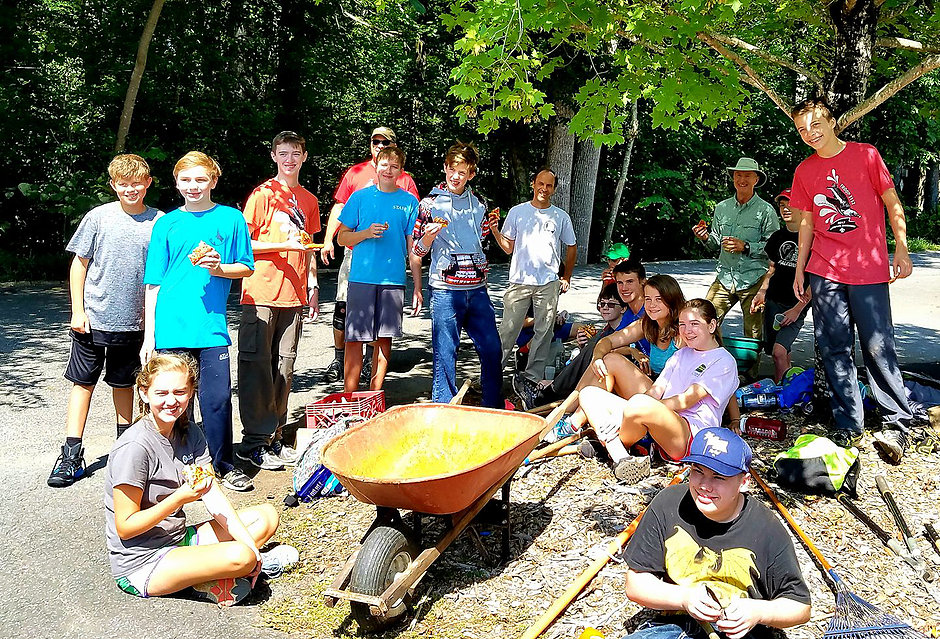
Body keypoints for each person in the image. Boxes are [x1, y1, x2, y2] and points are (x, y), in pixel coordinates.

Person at [105, 353, 297, 606]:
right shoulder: (134, 447)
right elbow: (126, 527)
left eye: (180, 392)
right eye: (161, 393)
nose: (171, 401)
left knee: (266, 516)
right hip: (142, 562)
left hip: (177, 540)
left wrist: (252, 548)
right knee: (240, 555)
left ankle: (236, 569)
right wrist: (178, 499)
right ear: (144, 393)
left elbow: (213, 495)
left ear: (191, 392)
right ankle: (236, 571)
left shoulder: (190, 432)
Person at [789, 97, 914, 459]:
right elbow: (808, 223)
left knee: (878, 344)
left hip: (868, 266)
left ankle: (897, 422)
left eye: (815, 125)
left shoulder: (866, 155)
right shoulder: (804, 171)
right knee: (834, 347)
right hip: (823, 269)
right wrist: (800, 268)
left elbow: (892, 203)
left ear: (831, 123)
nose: (810, 134)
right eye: (801, 130)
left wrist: (901, 248)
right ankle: (849, 424)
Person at [621, 427, 811, 639]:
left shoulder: (766, 529)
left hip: (741, 632)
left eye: (719, 477)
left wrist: (758, 611)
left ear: (744, 482)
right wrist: (684, 598)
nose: (704, 485)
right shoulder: (668, 504)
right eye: (698, 471)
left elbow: (800, 607)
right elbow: (636, 583)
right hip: (675, 624)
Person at [142, 151, 255, 492]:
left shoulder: (231, 219)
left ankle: (223, 464)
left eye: (200, 179)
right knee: (174, 399)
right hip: (170, 325)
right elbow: (153, 283)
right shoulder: (166, 223)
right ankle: (175, 465)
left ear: (213, 181)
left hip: (211, 327)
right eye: (186, 180)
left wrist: (219, 268)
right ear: (177, 183)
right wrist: (149, 337)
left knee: (217, 399)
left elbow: (246, 267)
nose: (193, 186)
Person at [48, 154, 163, 487]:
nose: (130, 189)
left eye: (136, 183)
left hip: (135, 323)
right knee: (82, 382)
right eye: (123, 184)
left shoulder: (159, 221)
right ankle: (71, 454)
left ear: (148, 183)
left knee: (124, 384)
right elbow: (78, 265)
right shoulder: (98, 217)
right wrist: (77, 310)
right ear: (114, 186)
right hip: (93, 319)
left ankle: (124, 450)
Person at [578, 299, 738, 483]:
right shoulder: (681, 354)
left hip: (692, 435)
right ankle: (621, 457)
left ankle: (609, 443)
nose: (687, 331)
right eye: (683, 325)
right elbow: (655, 390)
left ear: (711, 325)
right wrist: (630, 410)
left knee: (638, 404)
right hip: (659, 425)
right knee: (589, 394)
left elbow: (686, 401)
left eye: (695, 324)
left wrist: (629, 411)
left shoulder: (723, 361)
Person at [236, 131, 320, 472]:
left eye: (295, 153)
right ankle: (254, 442)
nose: (289, 159)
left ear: (303, 157)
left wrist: (312, 284)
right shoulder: (263, 194)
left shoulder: (309, 200)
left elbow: (309, 245)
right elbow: (243, 245)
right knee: (257, 367)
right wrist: (282, 248)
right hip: (260, 293)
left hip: (294, 294)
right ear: (274, 156)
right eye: (283, 153)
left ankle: (276, 435)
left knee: (285, 366)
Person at [320, 127, 420, 384]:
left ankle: (375, 394)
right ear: (375, 165)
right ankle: (349, 396)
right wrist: (364, 233)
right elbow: (342, 237)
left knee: (383, 339)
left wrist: (418, 284)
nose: (388, 170)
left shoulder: (409, 201)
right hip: (362, 277)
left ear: (401, 172)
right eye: (384, 164)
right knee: (355, 337)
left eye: (394, 166)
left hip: (393, 279)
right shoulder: (360, 197)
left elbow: (413, 245)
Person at [410, 141, 503, 407]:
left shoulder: (480, 203)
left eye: (462, 172)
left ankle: (494, 407)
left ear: (471, 174)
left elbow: (481, 238)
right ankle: (444, 410)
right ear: (445, 168)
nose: (455, 176)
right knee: (445, 354)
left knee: (492, 349)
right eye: (452, 169)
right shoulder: (429, 205)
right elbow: (417, 249)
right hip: (444, 290)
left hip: (477, 289)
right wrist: (428, 239)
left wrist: (494, 228)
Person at [545, 275, 686, 442]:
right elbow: (608, 341)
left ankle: (570, 420)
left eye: (659, 299)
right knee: (607, 359)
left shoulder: (683, 332)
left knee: (611, 361)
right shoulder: (648, 324)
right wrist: (597, 358)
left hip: (669, 404)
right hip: (651, 392)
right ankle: (568, 417)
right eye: (648, 299)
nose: (652, 305)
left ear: (671, 300)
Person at [491, 168, 577, 396]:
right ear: (533, 184)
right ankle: (492, 375)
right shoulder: (518, 212)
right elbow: (508, 247)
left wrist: (566, 277)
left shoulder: (560, 216)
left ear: (554, 189)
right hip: (519, 282)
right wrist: (493, 230)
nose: (544, 189)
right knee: (507, 332)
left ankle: (531, 380)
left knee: (544, 332)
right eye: (541, 183)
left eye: (549, 185)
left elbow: (572, 247)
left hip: (548, 283)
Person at [693, 157, 778, 377]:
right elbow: (714, 242)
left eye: (747, 175)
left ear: (756, 179)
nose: (742, 179)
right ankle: (709, 368)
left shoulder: (766, 211)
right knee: (703, 319)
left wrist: (746, 246)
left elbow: (776, 247)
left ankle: (750, 377)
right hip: (724, 277)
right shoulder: (722, 208)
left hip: (754, 279)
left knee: (753, 332)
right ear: (733, 178)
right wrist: (704, 237)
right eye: (738, 174)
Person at [530, 282, 630, 408]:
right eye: (602, 304)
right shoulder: (606, 330)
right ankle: (552, 387)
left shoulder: (624, 331)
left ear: (623, 308)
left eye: (610, 304)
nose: (604, 308)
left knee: (593, 348)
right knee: (587, 348)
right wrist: (583, 345)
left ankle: (551, 391)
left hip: (603, 377)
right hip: (589, 376)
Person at [749, 189, 810, 383]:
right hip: (774, 301)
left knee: (778, 352)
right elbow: (771, 269)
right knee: (779, 353)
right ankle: (781, 389)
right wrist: (761, 293)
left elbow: (817, 280)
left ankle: (785, 394)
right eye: (782, 205)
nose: (785, 208)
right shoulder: (777, 237)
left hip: (795, 305)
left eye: (790, 204)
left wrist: (798, 310)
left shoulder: (812, 238)